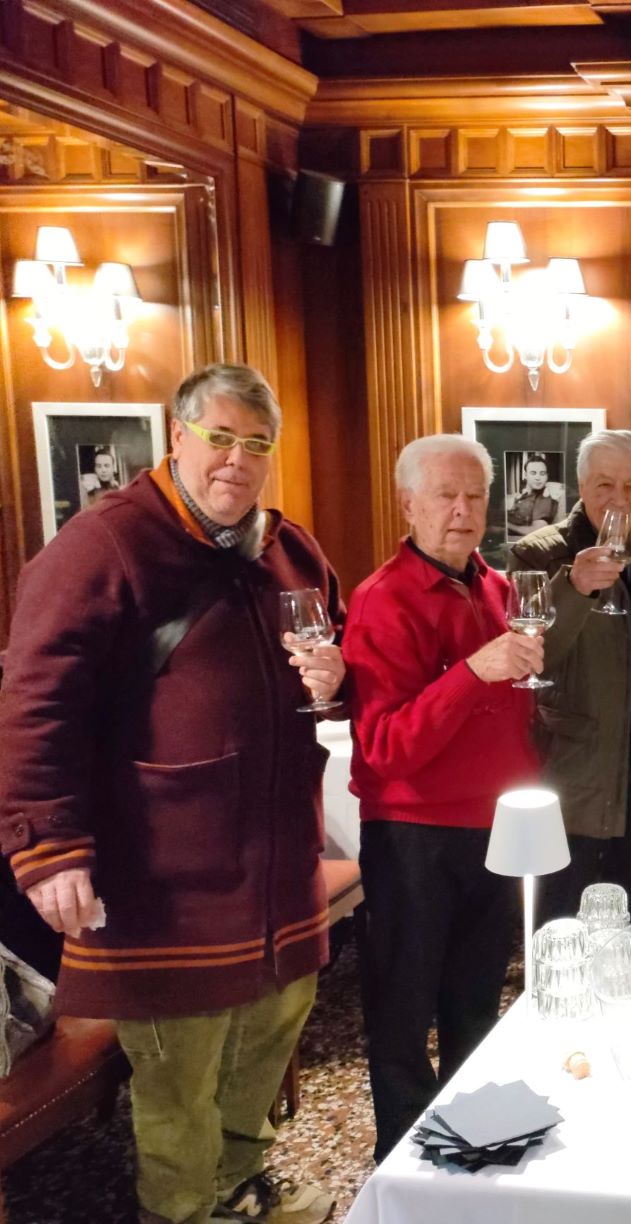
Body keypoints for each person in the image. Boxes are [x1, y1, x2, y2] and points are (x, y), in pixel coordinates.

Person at [0, 363, 342, 1224]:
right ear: (177, 435)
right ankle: (182, 1212)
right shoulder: (105, 545)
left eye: (257, 443)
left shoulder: (291, 549)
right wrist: (48, 846)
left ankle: (238, 1187)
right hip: (162, 881)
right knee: (179, 1073)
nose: (237, 459)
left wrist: (342, 679)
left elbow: (336, 672)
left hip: (279, 869)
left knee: (270, 1032)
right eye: (219, 437)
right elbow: (36, 704)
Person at [343, 434, 543, 1164]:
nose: (463, 510)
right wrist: (472, 673)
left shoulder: (500, 588)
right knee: (403, 1015)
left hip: (495, 827)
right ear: (408, 505)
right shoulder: (381, 600)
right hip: (414, 835)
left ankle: (471, 1150)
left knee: (476, 1005)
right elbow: (385, 747)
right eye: (445, 496)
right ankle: (403, 1172)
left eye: (475, 496)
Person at [512, 429, 631, 919]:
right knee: (563, 922)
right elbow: (531, 659)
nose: (619, 499)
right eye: (604, 485)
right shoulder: (538, 555)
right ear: (581, 486)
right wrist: (574, 587)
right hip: (577, 773)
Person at [506, 453, 561, 538]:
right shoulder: (525, 495)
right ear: (526, 475)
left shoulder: (544, 498)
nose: (538, 478)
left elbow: (537, 530)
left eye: (542, 473)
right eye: (533, 473)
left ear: (547, 476)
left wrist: (507, 525)